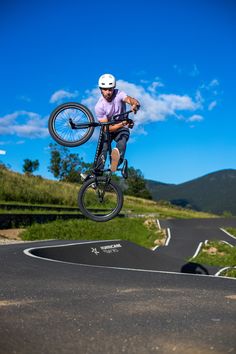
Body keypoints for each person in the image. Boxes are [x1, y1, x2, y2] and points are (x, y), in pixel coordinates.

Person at [94, 73, 140, 176]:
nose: (108, 92)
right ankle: (96, 174)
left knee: (122, 140)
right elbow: (107, 129)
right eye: (105, 89)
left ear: (113, 88)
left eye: (110, 89)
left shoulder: (119, 94)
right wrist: (124, 123)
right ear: (100, 89)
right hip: (109, 128)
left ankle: (115, 163)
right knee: (103, 148)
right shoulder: (99, 106)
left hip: (121, 129)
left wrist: (134, 104)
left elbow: (130, 99)